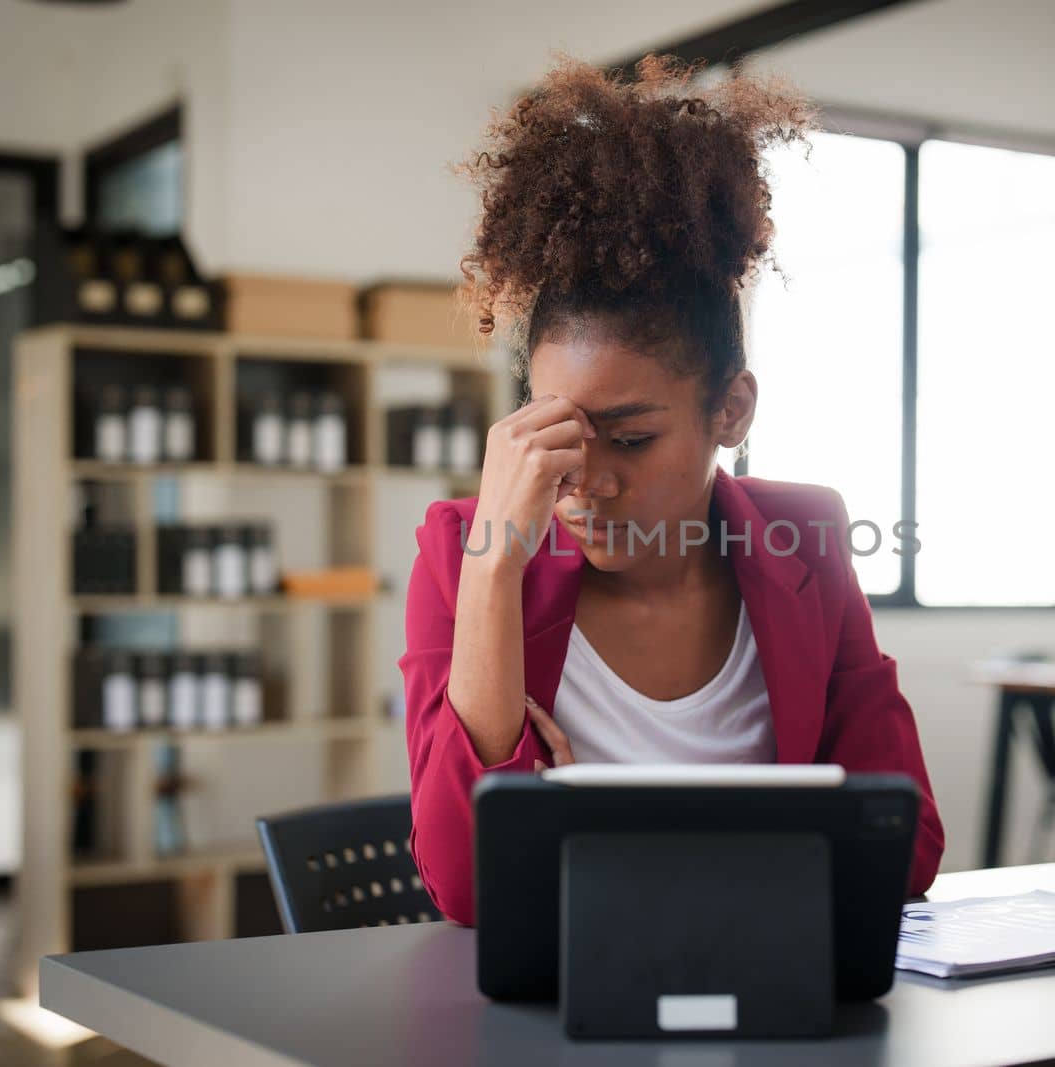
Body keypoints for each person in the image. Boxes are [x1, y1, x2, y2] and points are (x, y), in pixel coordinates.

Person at [399, 54, 944, 926]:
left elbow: (906, 846)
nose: (590, 480)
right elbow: (468, 887)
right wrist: (495, 569)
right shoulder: (461, 551)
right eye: (560, 431)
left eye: (632, 438)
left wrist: (600, 841)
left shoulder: (806, 536)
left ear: (730, 410)